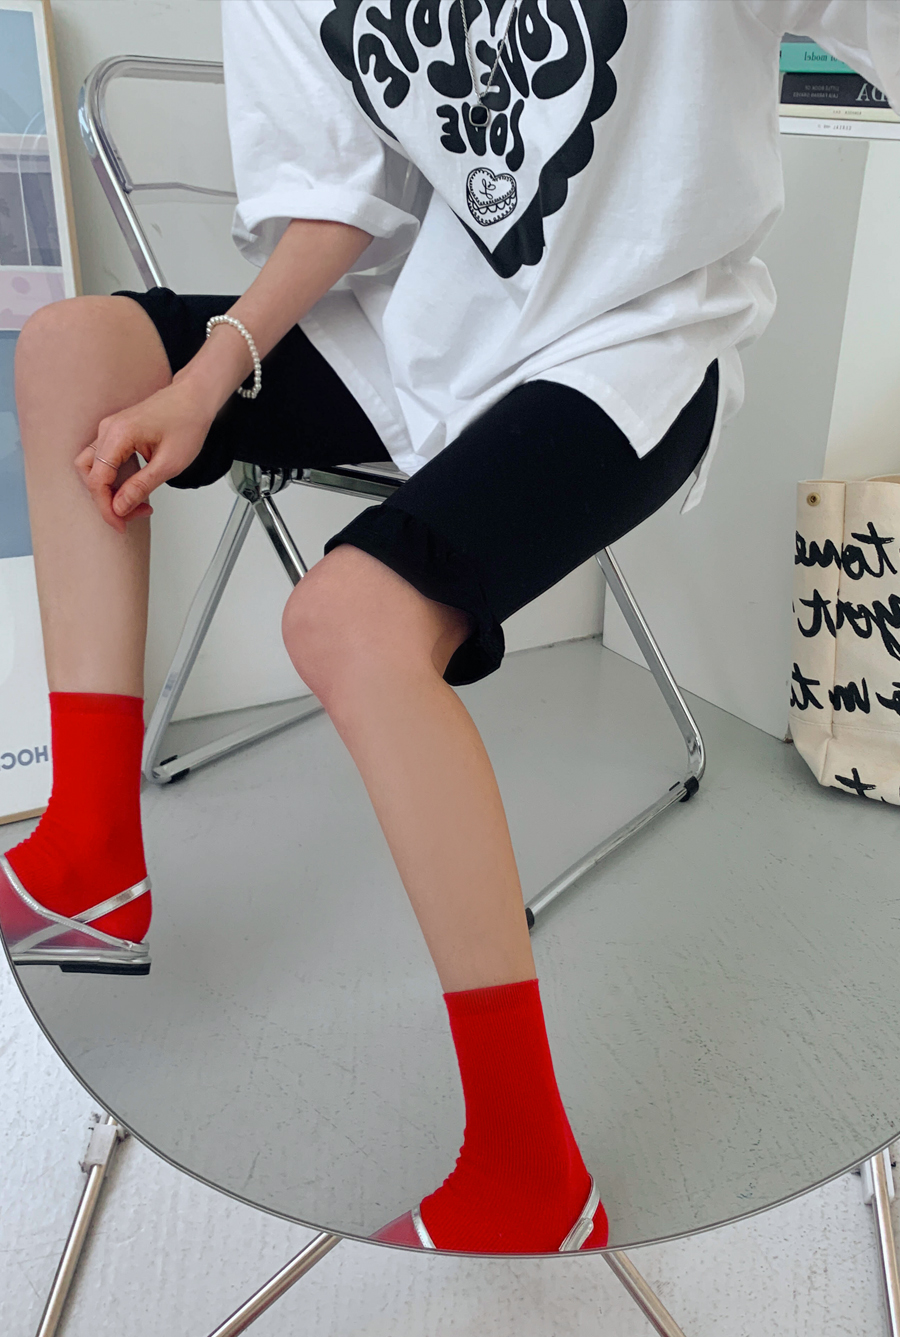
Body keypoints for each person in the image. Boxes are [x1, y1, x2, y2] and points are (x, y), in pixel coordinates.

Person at [2, 0, 897, 1254]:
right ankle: (93, 849)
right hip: (417, 335)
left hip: (633, 346)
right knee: (72, 348)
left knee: (348, 621)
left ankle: (533, 1170)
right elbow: (341, 199)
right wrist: (203, 382)